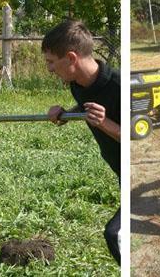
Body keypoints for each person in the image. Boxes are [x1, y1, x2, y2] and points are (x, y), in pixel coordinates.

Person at [43, 20, 121, 264]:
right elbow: (86, 108)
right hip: (118, 169)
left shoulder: (119, 86)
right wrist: (67, 114)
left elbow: (138, 138)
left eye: (51, 62)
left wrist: (104, 123)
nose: (49, 69)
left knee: (115, 234)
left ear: (71, 58)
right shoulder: (77, 84)